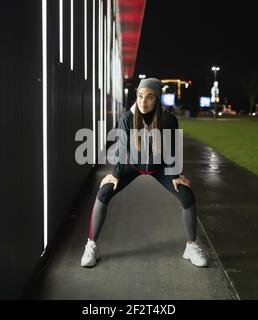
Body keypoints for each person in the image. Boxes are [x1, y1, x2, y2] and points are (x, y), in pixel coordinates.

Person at [80, 78, 208, 268]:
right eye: (140, 96)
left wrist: (175, 175)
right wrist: (115, 173)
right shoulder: (127, 118)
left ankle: (191, 246)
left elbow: (172, 151)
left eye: (149, 97)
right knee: (104, 192)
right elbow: (121, 149)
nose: (143, 102)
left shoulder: (168, 120)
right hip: (132, 166)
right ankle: (91, 245)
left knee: (187, 195)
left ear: (157, 99)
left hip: (159, 167)